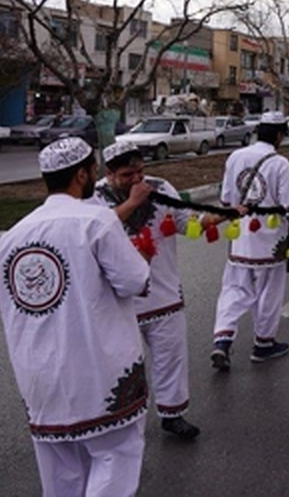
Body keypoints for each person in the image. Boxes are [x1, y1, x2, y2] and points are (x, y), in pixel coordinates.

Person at [0, 137, 151, 496]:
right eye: (93, 170)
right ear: (82, 174)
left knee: (61, 472)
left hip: (40, 378)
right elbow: (135, 280)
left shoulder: (12, 237)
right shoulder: (96, 222)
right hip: (99, 372)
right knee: (115, 456)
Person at [88, 141, 201, 440]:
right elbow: (97, 231)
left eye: (140, 172)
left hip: (164, 295)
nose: (137, 180)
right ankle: (122, 421)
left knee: (171, 357)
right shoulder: (94, 198)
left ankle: (172, 413)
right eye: (128, 175)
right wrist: (133, 202)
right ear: (110, 174)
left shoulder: (160, 188)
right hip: (121, 303)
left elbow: (185, 222)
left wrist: (214, 219)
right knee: (121, 366)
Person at [210, 112, 289, 370]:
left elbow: (226, 201)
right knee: (269, 293)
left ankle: (222, 340)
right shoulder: (279, 163)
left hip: (241, 238)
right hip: (271, 242)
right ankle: (263, 344)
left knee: (233, 289)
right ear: (278, 134)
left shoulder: (236, 157)